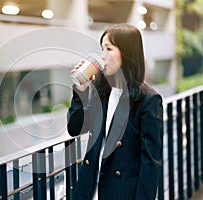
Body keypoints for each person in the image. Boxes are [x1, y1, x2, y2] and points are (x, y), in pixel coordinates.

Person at [67, 23, 163, 200]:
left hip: (121, 192)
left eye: (109, 48)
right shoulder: (101, 92)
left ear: (127, 53)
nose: (102, 56)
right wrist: (80, 90)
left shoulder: (148, 100)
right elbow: (75, 128)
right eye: (101, 48)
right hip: (88, 190)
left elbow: (150, 163)